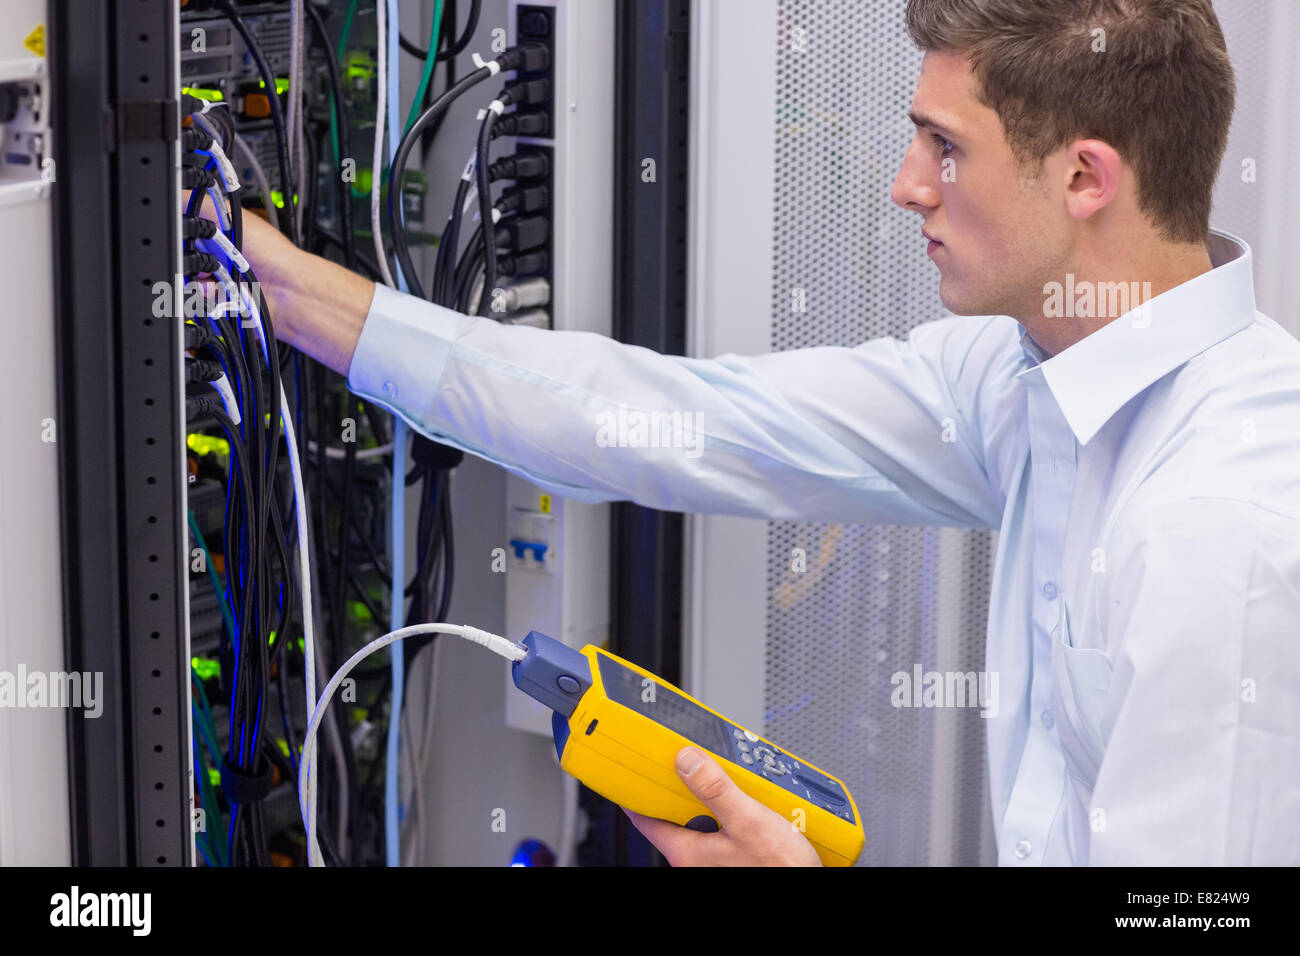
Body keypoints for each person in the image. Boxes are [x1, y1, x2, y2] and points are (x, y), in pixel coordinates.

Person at [226, 0, 1300, 865]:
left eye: (944, 146)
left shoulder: (1220, 530)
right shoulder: (1027, 376)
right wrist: (299, 296)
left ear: (1084, 178)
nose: (905, 185)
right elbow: (679, 418)